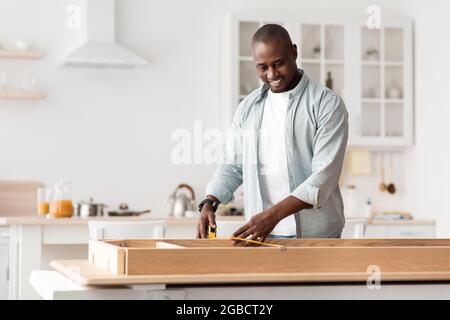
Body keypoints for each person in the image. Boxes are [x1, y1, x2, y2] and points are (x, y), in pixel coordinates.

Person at [196, 24, 348, 245]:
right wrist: (209, 202)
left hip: (317, 236)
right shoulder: (248, 107)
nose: (272, 74)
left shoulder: (326, 104)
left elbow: (323, 178)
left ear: (294, 53)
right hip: (262, 236)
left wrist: (274, 215)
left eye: (278, 64)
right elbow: (232, 165)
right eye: (263, 67)